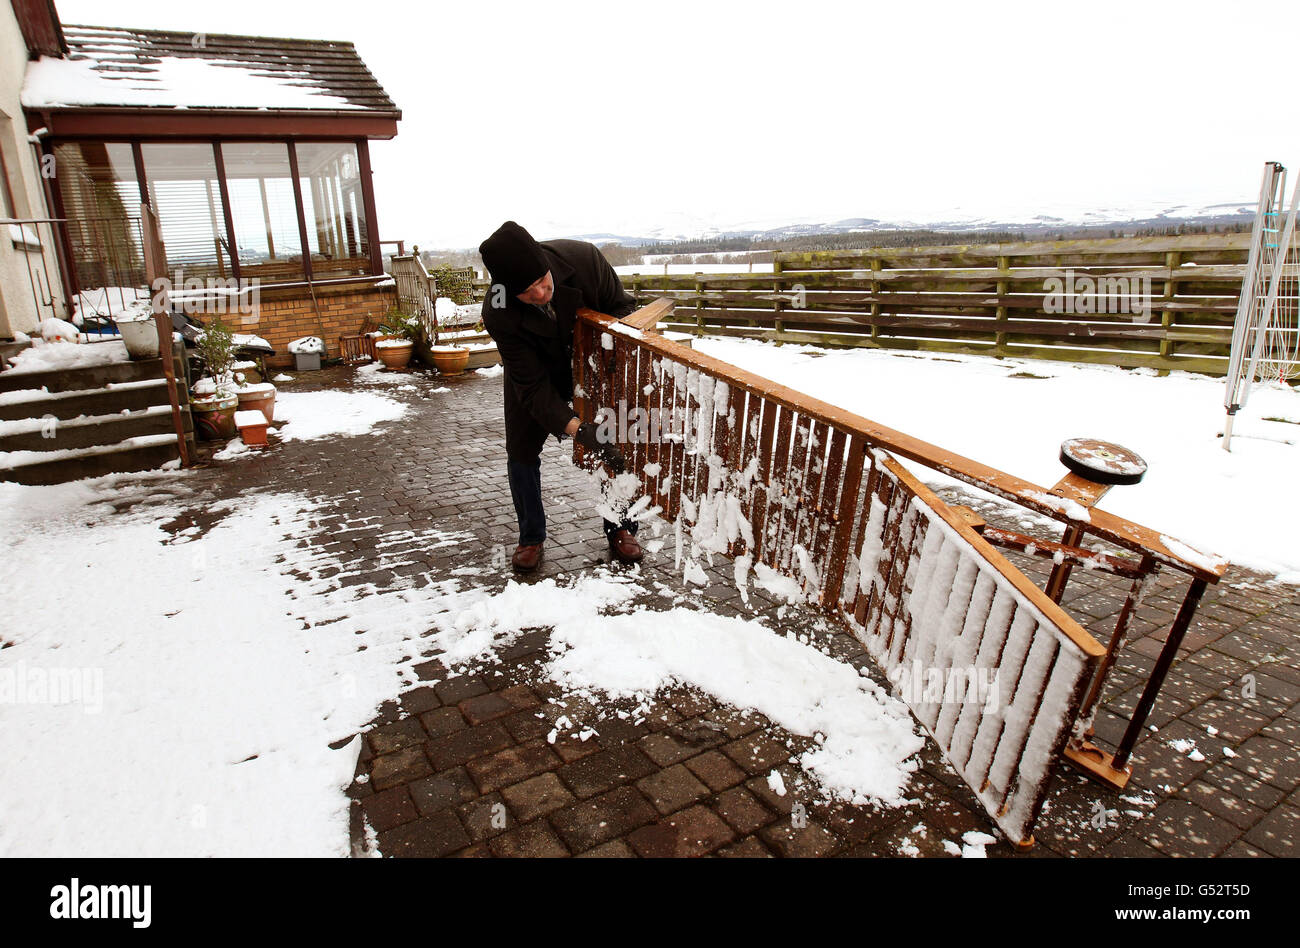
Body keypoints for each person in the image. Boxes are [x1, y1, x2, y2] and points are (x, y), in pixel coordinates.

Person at [478, 220, 643, 572]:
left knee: (615, 444)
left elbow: (624, 311)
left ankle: (621, 527)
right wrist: (579, 430)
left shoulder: (585, 260)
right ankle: (531, 535)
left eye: (542, 282)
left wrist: (615, 354)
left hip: (593, 364)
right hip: (534, 374)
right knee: (521, 452)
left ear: (545, 264)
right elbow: (533, 388)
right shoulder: (498, 309)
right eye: (527, 292)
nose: (539, 294)